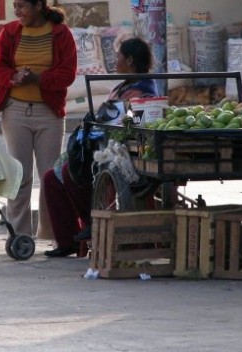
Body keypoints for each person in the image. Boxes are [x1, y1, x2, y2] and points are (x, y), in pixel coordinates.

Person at [42, 37, 158, 257]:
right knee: (51, 178)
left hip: (121, 150)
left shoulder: (142, 90)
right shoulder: (124, 85)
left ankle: (93, 223)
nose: (116, 61)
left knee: (70, 171)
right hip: (102, 144)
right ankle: (68, 242)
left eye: (119, 57)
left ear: (130, 60)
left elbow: (133, 124)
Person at [0, 0, 77, 239]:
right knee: (19, 175)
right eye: (15, 6)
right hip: (15, 112)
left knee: (49, 176)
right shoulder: (10, 32)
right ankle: (18, 234)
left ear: (38, 6)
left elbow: (67, 74)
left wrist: (37, 79)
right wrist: (14, 77)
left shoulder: (60, 34)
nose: (17, 11)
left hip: (49, 113)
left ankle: (50, 233)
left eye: (21, 6)